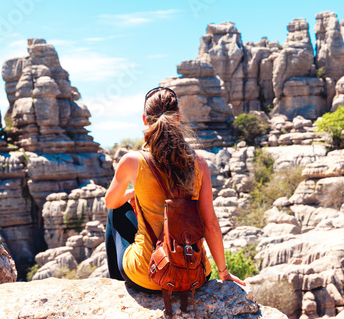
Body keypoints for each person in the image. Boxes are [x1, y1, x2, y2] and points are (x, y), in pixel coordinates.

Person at [104, 86, 245, 294]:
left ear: (145, 119)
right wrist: (223, 272)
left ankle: (118, 291)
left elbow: (110, 202)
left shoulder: (133, 161)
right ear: (178, 117)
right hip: (195, 275)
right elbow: (211, 225)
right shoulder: (199, 162)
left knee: (116, 211)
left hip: (149, 277)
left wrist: (134, 194)